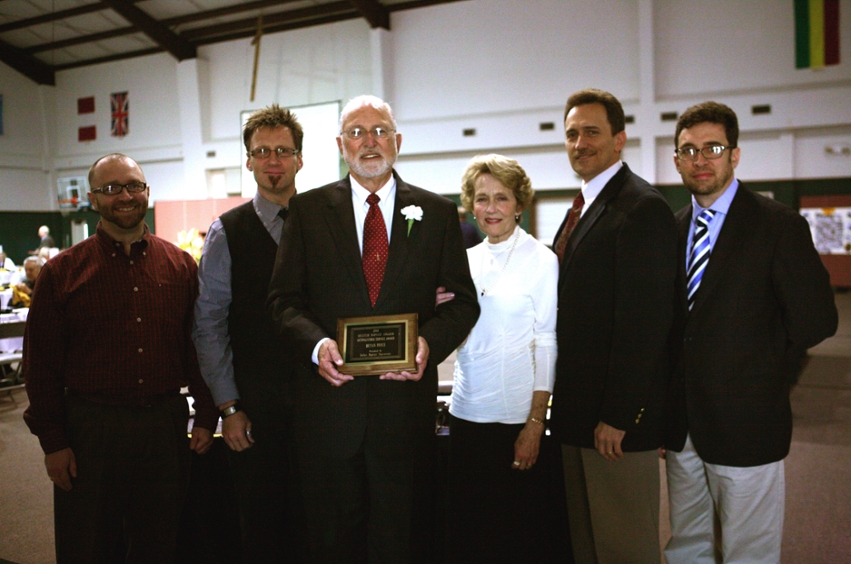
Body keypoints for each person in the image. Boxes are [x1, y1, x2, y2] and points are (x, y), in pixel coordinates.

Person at [267, 94, 479, 563]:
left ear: (397, 141)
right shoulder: (306, 211)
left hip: (402, 414)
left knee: (400, 539)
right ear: (341, 144)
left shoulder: (438, 213)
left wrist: (426, 344)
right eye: (357, 132)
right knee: (331, 539)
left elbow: (462, 304)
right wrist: (317, 344)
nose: (370, 142)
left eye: (380, 130)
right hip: (328, 414)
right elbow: (283, 301)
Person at [662, 101, 838, 564]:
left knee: (748, 551)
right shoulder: (672, 229)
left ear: (734, 155)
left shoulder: (777, 225)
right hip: (683, 428)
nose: (700, 159)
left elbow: (818, 320)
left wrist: (760, 372)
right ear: (677, 160)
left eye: (712, 148)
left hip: (747, 423)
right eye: (688, 150)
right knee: (686, 545)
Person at [23, 153, 217, 563]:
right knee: (88, 544)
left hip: (163, 426)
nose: (124, 196)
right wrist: (53, 442)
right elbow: (40, 366)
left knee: (159, 542)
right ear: (92, 199)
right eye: (110, 189)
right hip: (91, 429)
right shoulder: (62, 273)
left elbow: (197, 346)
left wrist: (204, 414)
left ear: (147, 192)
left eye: (132, 186)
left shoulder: (180, 265)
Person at [547, 88, 678, 564]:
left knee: (625, 547)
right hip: (577, 414)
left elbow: (644, 325)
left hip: (614, 424)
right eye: (572, 133)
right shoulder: (581, 208)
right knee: (588, 545)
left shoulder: (641, 208)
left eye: (592, 132)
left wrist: (621, 415)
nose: (580, 142)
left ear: (619, 139)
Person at [193, 104, 305, 562]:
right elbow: (208, 323)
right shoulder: (227, 232)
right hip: (253, 411)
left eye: (283, 150)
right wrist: (229, 406)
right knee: (261, 526)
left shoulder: (323, 222)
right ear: (249, 161)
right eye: (263, 151)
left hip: (320, 406)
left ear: (300, 158)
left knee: (316, 521)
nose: (273, 160)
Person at [447, 154, 558, 563]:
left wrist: (535, 421)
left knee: (516, 536)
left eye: (501, 198)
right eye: (481, 199)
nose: (490, 209)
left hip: (514, 419)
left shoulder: (541, 260)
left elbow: (547, 342)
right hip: (466, 414)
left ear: (519, 203)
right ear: (470, 204)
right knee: (472, 533)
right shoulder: (465, 260)